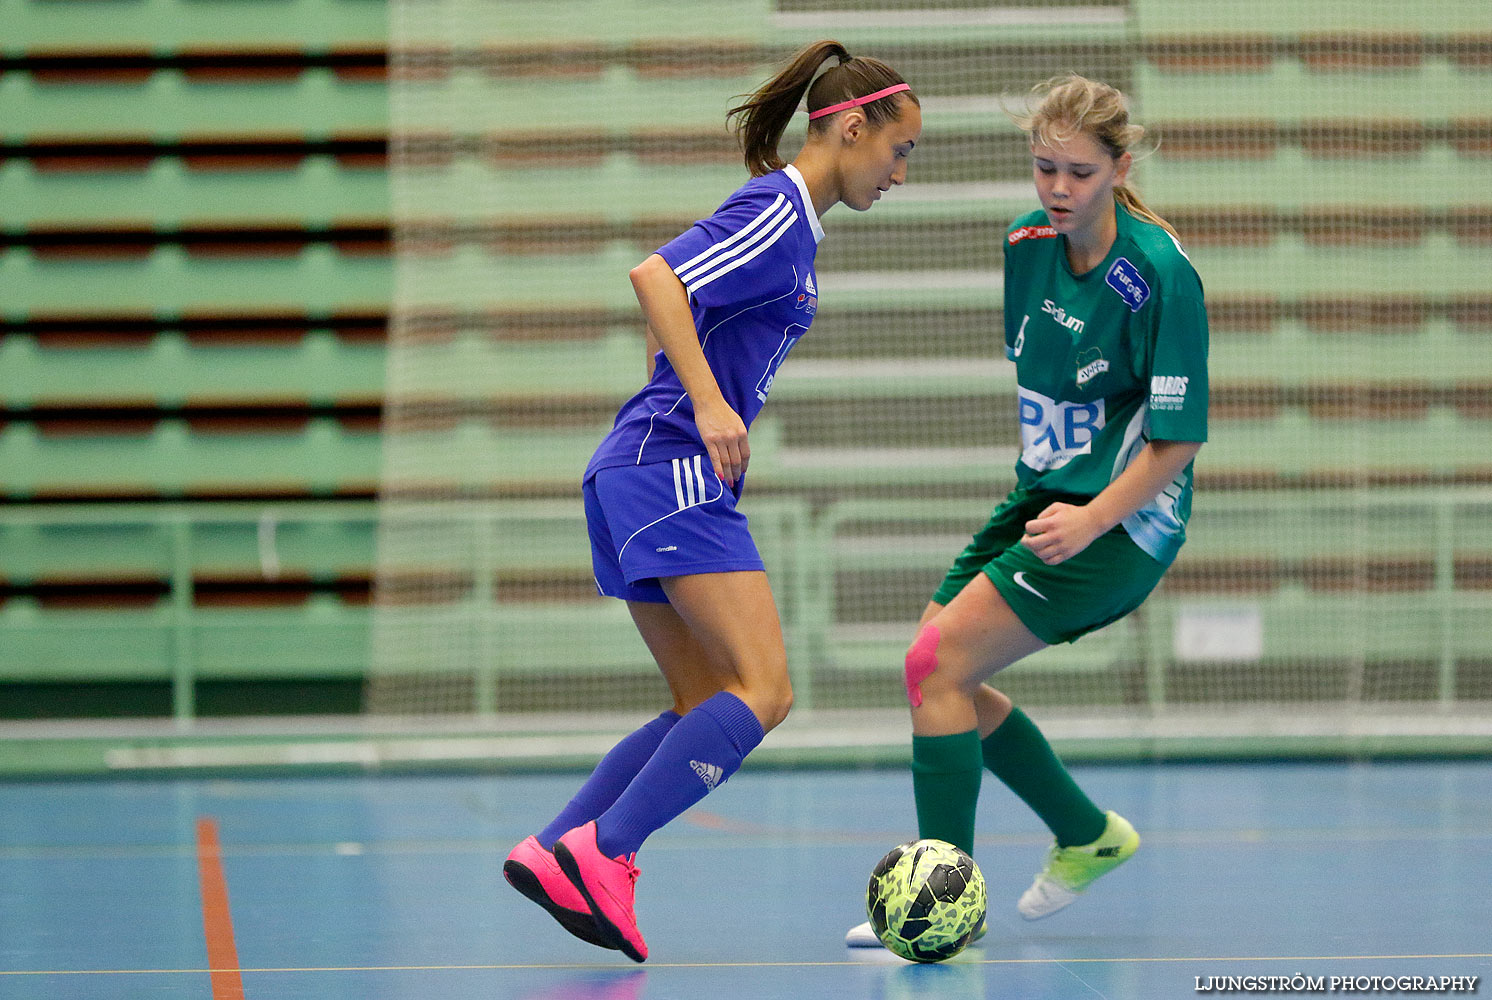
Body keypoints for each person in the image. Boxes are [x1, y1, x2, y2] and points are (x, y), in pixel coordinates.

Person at [503, 40, 922, 963]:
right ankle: (604, 851)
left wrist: (697, 402)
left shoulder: (796, 228)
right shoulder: (779, 207)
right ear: (851, 127)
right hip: (667, 466)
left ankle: (556, 844)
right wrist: (707, 405)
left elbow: (682, 321)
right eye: (899, 152)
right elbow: (658, 279)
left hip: (639, 468)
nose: (901, 173)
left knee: (703, 699)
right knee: (764, 692)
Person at [846, 73, 1209, 947]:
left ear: (1119, 169)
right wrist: (1053, 501)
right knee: (934, 672)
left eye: (1079, 173)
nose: (1057, 189)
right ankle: (1087, 835)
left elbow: (1176, 441)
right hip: (1043, 494)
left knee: (937, 664)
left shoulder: (1160, 274)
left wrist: (1091, 520)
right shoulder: (1024, 242)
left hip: (1122, 523)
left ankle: (943, 903)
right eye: (1043, 167)